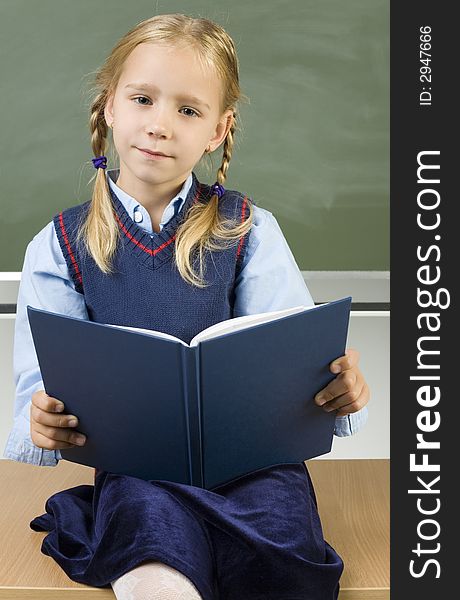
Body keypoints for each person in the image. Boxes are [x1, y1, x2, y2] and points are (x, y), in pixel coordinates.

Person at [4, 13, 370, 600]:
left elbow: (296, 350)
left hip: (256, 463)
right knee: (148, 540)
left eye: (188, 110)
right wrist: (42, 418)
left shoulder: (249, 229)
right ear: (109, 107)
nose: (160, 125)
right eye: (143, 99)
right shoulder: (60, 245)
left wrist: (338, 388)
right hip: (138, 465)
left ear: (219, 130)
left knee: (283, 542)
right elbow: (42, 384)